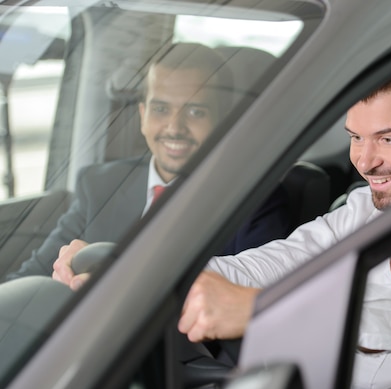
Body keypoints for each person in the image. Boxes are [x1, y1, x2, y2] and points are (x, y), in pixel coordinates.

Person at [56, 51, 391, 389]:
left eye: (388, 138)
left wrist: (259, 307)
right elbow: (268, 262)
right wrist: (127, 272)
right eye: (355, 138)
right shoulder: (365, 209)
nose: (364, 162)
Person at [6, 42, 291, 287]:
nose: (174, 128)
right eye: (161, 109)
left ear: (222, 119)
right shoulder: (99, 185)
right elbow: (30, 279)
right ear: (142, 115)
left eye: (195, 111)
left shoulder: (254, 201)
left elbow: (253, 308)